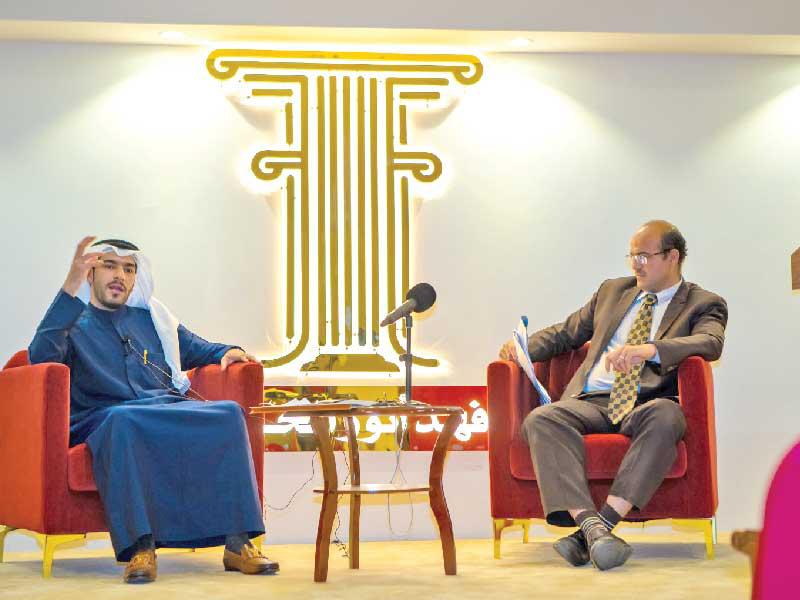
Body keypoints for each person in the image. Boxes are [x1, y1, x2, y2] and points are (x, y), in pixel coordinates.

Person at [29, 236, 278, 583]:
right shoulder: (72, 322)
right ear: (90, 274)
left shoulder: (153, 320)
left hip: (161, 409)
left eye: (129, 269)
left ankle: (238, 543)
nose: (120, 275)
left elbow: (197, 347)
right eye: (110, 266)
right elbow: (40, 357)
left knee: (229, 414)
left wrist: (229, 351)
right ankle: (141, 548)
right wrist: (69, 290)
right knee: (124, 419)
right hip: (105, 416)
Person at [499, 220, 727, 571]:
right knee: (542, 419)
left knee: (668, 415)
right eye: (632, 256)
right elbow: (566, 333)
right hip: (591, 401)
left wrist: (649, 349)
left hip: (645, 403)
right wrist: (522, 348)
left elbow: (710, 342)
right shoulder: (612, 291)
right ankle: (593, 528)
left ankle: (597, 527)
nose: (636, 264)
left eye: (644, 256)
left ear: (672, 257)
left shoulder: (703, 302)